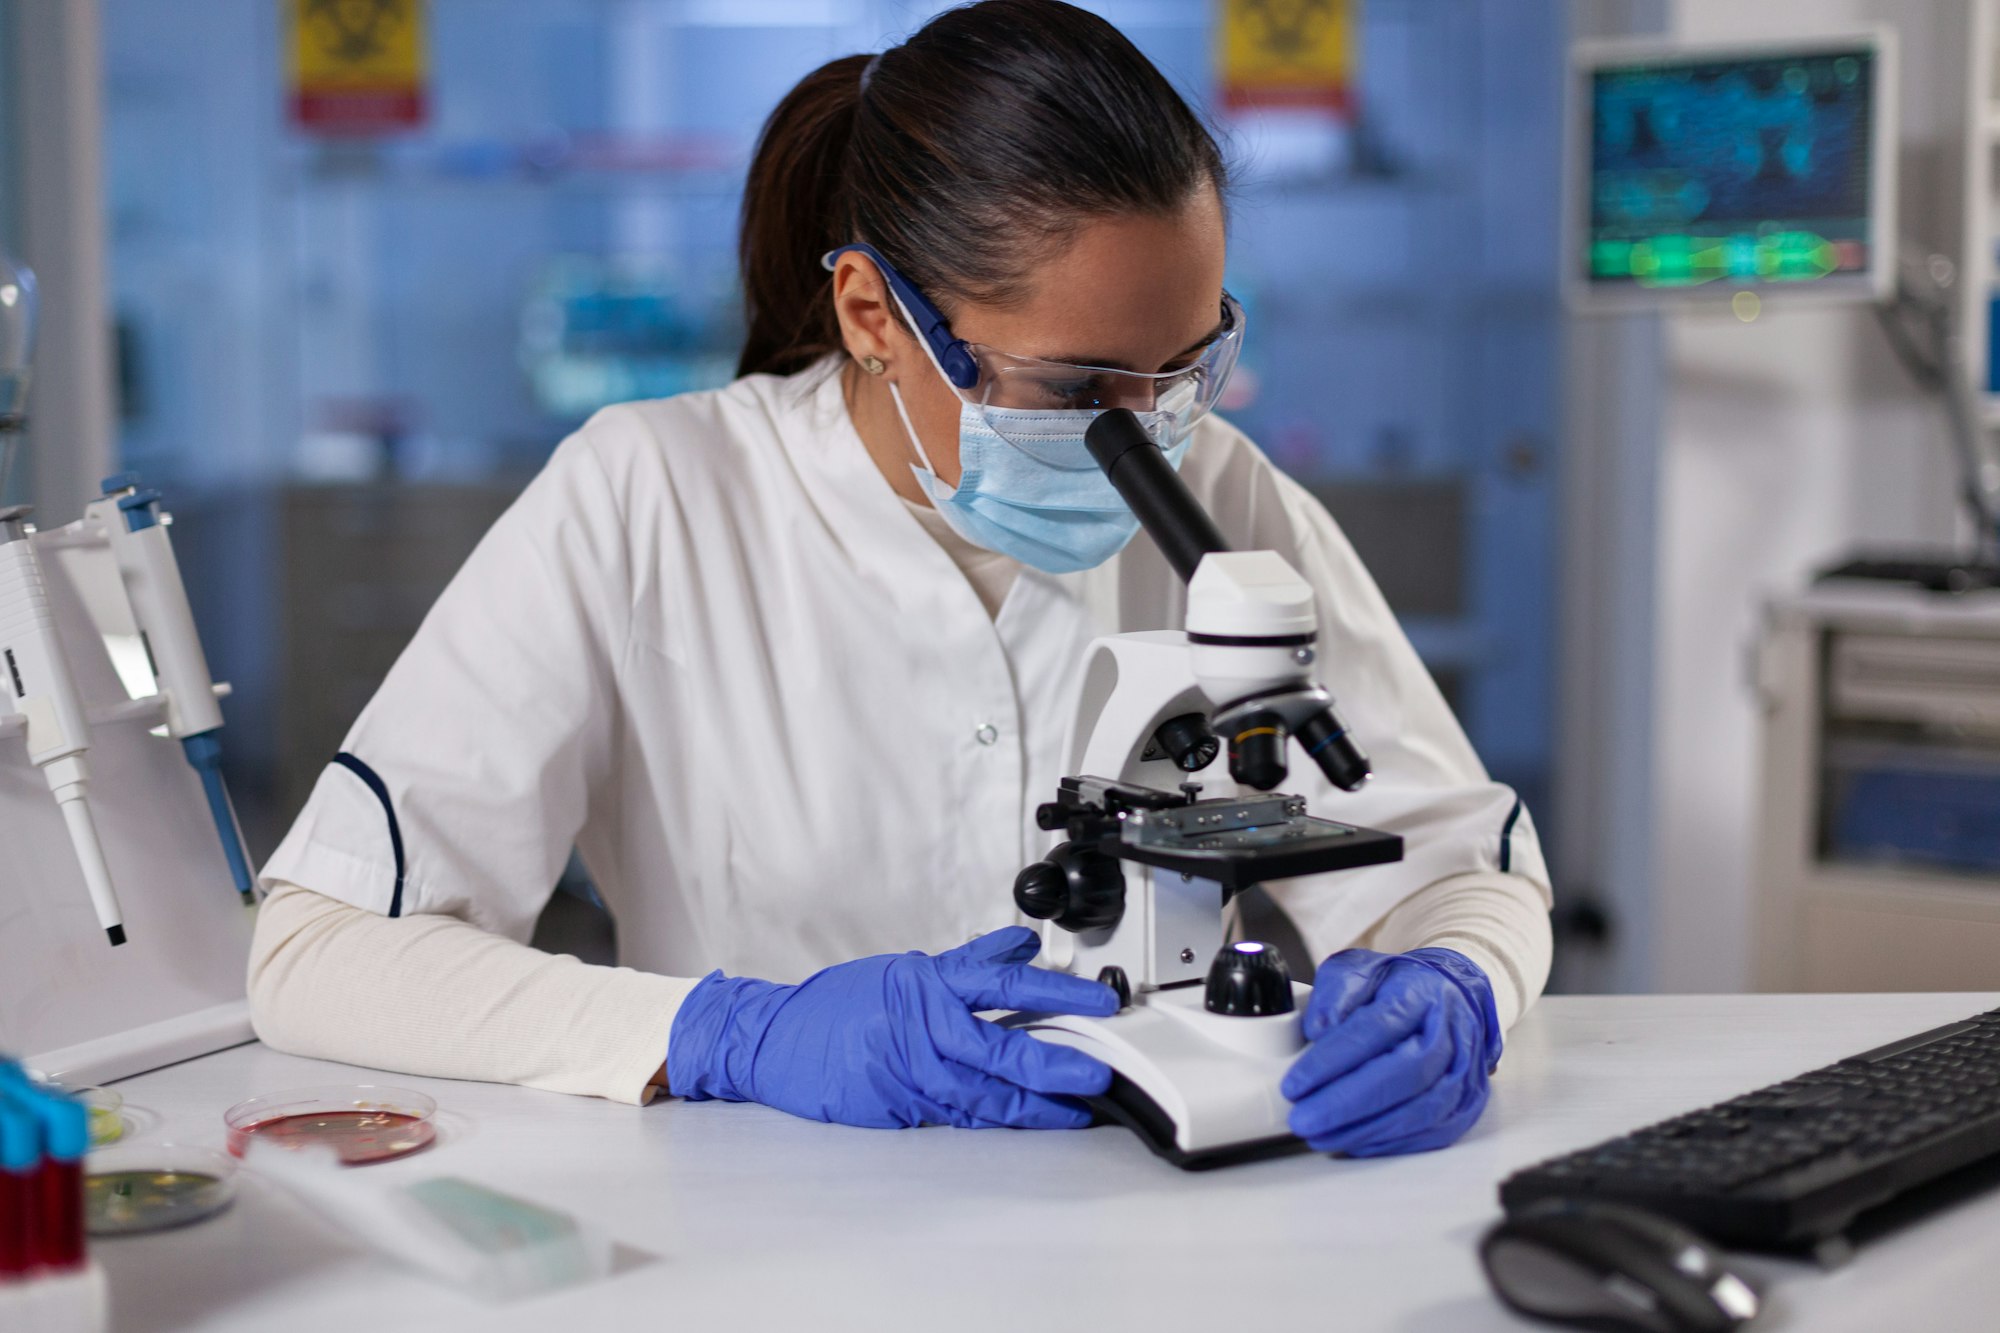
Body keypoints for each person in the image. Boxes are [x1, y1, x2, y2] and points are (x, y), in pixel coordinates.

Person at [249, 0, 1552, 1158]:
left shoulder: (1219, 488)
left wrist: (1454, 982)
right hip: (763, 1238)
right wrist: (729, 1032)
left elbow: (1454, 863)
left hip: (1153, 1243)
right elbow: (316, 954)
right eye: (1078, 387)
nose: (1149, 430)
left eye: (1184, 366)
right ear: (875, 314)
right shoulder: (646, 496)